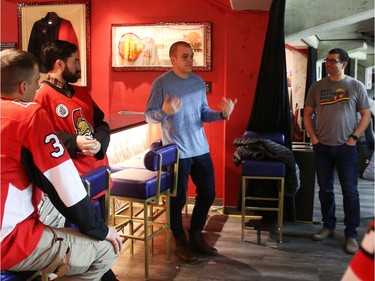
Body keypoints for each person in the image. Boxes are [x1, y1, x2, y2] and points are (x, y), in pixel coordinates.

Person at [0, 48, 122, 280]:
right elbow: (62, 182)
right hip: (10, 237)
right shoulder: (29, 114)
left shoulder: (80, 93)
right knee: (107, 250)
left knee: (57, 212)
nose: (39, 86)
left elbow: (101, 123)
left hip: (22, 207)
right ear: (23, 87)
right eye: (36, 81)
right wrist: (100, 229)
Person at [145, 41, 237, 262]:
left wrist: (222, 115)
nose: (190, 60)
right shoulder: (161, 83)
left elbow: (203, 113)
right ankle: (180, 242)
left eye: (191, 56)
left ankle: (196, 235)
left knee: (208, 193)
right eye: (185, 56)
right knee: (177, 200)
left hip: (200, 149)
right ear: (173, 59)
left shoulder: (197, 82)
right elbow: (149, 116)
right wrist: (164, 112)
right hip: (176, 152)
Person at [33, 40, 118, 280]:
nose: (80, 66)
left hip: (99, 175)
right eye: (76, 61)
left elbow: (101, 124)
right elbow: (39, 136)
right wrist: (74, 142)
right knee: (79, 243)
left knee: (99, 233)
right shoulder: (42, 95)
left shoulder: (81, 92)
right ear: (60, 64)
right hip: (73, 183)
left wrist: (99, 142)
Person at [304, 48, 371, 255]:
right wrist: (313, 138)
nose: (329, 64)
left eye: (333, 61)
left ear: (344, 64)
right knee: (325, 189)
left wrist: (354, 137)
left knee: (350, 191)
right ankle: (328, 225)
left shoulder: (355, 86)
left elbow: (365, 115)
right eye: (327, 60)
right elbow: (307, 114)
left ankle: (351, 233)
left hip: (346, 148)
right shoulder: (317, 86)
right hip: (322, 146)